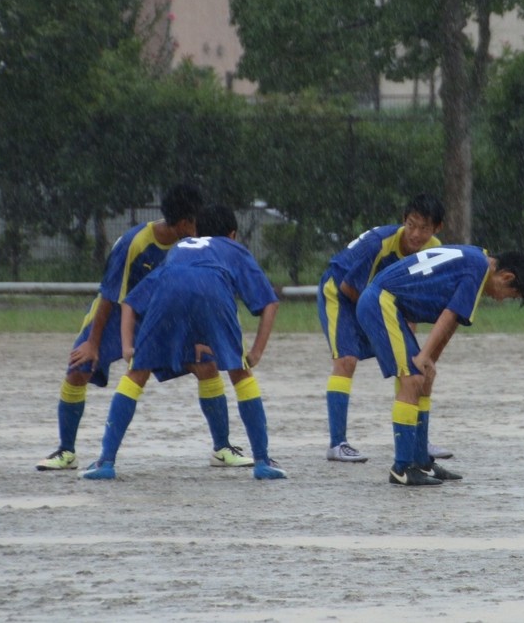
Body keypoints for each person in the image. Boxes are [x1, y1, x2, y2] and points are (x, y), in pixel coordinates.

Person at [35, 184, 253, 472]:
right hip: (117, 313)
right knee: (79, 368)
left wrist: (203, 333)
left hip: (165, 314)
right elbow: (111, 295)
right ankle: (66, 451)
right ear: (185, 221)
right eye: (196, 220)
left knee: (206, 363)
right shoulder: (134, 243)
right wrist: (93, 343)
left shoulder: (195, 242)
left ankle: (222, 447)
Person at [81, 205, 286, 481]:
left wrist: (129, 347)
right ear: (233, 234)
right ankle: (262, 461)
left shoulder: (180, 249)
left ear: (198, 231)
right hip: (212, 290)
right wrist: (256, 352)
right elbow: (269, 303)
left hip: (168, 292)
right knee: (240, 373)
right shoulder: (232, 248)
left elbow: (130, 302)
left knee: (137, 374)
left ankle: (105, 462)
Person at [356, 245, 524, 487]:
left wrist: (430, 360)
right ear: (507, 277)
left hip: (387, 304)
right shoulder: (478, 270)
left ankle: (421, 461)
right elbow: (450, 315)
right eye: (509, 295)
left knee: (423, 379)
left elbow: (453, 320)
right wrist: (425, 357)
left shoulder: (478, 261)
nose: (501, 299)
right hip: (381, 302)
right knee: (412, 380)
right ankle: (402, 468)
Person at [318, 194, 445, 463]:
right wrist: (380, 317)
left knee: (408, 360)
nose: (416, 234)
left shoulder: (433, 250)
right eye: (411, 225)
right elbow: (350, 288)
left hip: (377, 300)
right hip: (341, 291)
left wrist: (406, 320)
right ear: (403, 221)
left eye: (424, 228)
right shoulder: (379, 244)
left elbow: (417, 293)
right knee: (346, 360)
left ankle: (418, 439)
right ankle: (337, 444)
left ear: (437, 229)